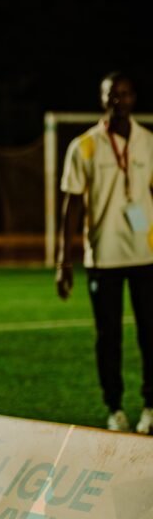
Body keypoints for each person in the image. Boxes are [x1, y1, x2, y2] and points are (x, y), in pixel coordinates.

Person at [57, 71, 153, 433]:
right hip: (104, 257)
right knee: (108, 337)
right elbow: (72, 206)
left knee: (150, 334)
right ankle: (114, 407)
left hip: (146, 255)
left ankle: (151, 405)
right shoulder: (84, 145)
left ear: (134, 98)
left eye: (125, 94)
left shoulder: (148, 142)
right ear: (103, 100)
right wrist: (63, 261)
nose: (119, 100)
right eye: (112, 95)